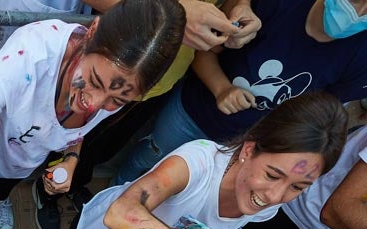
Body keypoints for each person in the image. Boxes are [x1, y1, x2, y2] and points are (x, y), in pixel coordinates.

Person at [39, 92, 349, 229]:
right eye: (272, 174)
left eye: (297, 187)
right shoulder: (197, 162)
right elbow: (121, 214)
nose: (275, 196)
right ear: (250, 149)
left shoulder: (263, 204)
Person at [0, 0, 185, 229]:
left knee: (5, 185)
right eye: (93, 81)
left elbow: (77, 132)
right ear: (91, 32)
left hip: (21, 161)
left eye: (117, 101)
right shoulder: (29, 57)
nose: (94, 105)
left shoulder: (113, 86)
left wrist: (71, 159)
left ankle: (1, 198)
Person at [118, 0, 367, 182]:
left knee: (186, 188)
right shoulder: (279, 5)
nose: (358, 13)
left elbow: (320, 115)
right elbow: (204, 51)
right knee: (148, 162)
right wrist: (222, 89)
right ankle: (105, 210)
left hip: (244, 149)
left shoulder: (360, 57)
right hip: (192, 114)